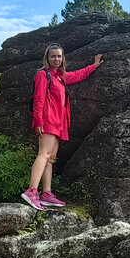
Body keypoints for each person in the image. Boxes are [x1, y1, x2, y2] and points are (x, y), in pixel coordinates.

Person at [21, 42, 103, 211]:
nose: (56, 59)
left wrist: (93, 66)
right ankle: (31, 191)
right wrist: (38, 121)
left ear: (62, 58)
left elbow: (78, 75)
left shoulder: (60, 76)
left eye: (59, 56)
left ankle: (47, 194)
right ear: (47, 58)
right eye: (53, 56)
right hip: (47, 120)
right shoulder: (43, 75)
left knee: (51, 158)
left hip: (59, 123)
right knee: (43, 154)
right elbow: (38, 99)